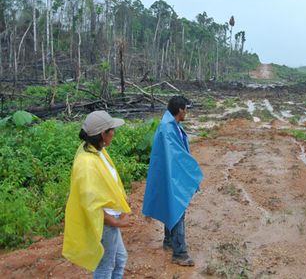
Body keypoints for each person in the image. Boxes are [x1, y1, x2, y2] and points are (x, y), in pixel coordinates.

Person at [62, 110, 133, 278]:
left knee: (120, 259)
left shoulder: (96, 150)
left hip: (109, 219)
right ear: (103, 133)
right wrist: (116, 222)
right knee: (105, 266)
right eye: (112, 130)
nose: (114, 133)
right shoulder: (87, 163)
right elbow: (91, 206)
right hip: (104, 223)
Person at [142, 95, 203, 266]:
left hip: (171, 173)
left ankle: (168, 242)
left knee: (171, 206)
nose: (187, 112)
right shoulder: (167, 128)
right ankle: (180, 253)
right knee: (177, 209)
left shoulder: (173, 125)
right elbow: (174, 156)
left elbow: (177, 154)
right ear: (180, 110)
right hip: (170, 175)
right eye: (186, 109)